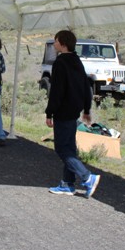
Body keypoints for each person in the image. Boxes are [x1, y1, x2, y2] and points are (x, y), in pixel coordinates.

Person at [45, 29, 101, 198]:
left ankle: (87, 177)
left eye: (55, 41)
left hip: (63, 111)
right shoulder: (77, 61)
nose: (54, 44)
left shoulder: (60, 63)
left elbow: (56, 91)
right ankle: (67, 184)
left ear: (62, 43)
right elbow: (86, 87)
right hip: (74, 111)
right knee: (69, 147)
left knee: (62, 148)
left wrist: (49, 113)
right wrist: (86, 109)